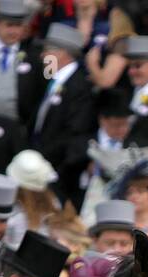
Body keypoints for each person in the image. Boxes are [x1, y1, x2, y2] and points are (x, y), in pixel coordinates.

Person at [29, 23, 96, 212]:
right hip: (42, 165)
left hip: (61, 172)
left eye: (47, 50)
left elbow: (75, 131)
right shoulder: (52, 82)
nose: (43, 56)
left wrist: (50, 164)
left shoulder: (79, 86)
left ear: (63, 53)